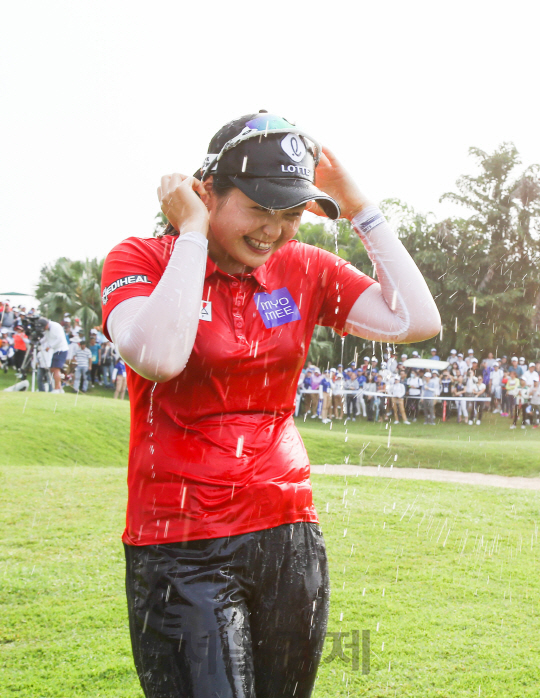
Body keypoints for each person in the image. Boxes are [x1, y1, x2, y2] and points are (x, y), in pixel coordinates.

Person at [100, 112, 440, 698]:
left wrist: (360, 207)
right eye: (259, 208)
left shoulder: (302, 268)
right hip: (181, 545)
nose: (276, 231)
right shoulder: (143, 259)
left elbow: (416, 319)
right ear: (205, 193)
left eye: (290, 214)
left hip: (288, 534)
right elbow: (159, 356)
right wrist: (191, 235)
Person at [36, 317, 69, 393]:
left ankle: (57, 388)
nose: (43, 329)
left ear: (46, 324)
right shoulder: (47, 330)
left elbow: (59, 339)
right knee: (53, 369)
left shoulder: (56, 326)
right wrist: (39, 342)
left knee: (56, 369)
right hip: (56, 350)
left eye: (43, 327)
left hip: (61, 349)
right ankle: (59, 388)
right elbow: (46, 338)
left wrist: (50, 346)